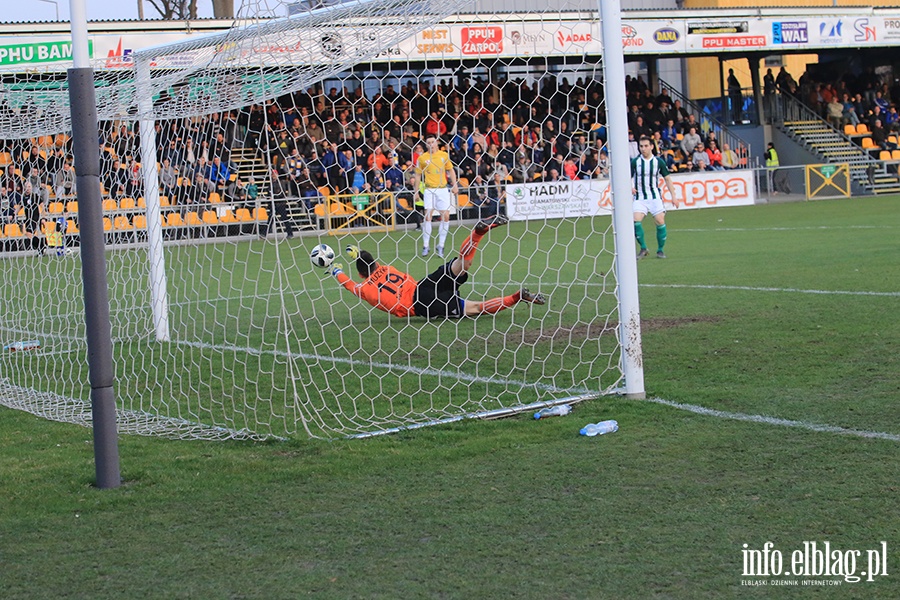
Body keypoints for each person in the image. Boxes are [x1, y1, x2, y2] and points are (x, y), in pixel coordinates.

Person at [332, 216, 545, 319]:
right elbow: (370, 264)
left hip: (421, 304)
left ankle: (516, 297)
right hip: (423, 286)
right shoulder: (387, 268)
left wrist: (336, 270)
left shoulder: (364, 288)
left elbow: (350, 284)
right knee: (462, 264)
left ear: (361, 274)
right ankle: (477, 235)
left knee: (475, 308)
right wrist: (358, 253)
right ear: (375, 263)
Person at [411, 135, 458, 258]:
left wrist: (455, 185)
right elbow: (417, 176)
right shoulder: (422, 158)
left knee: (446, 217)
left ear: (437, 143)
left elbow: (451, 170)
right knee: (428, 216)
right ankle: (426, 245)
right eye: (428, 142)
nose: (431, 144)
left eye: (433, 142)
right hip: (429, 190)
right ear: (426, 145)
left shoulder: (444, 155)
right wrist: (416, 192)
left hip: (442, 189)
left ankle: (441, 245)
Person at [632, 136, 679, 259]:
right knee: (635, 220)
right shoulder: (635, 162)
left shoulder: (658, 162)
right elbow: (626, 177)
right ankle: (643, 248)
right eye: (641, 146)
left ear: (652, 146)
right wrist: (629, 187)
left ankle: (660, 250)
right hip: (639, 197)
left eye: (646, 146)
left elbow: (667, 179)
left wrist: (674, 196)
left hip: (654, 197)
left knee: (660, 221)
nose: (643, 149)